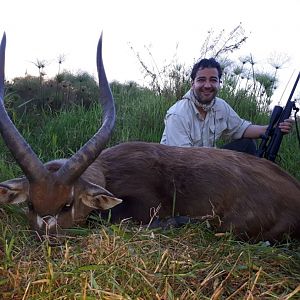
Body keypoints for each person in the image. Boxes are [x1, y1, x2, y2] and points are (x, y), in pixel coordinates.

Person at [160, 58, 293, 155]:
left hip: (208, 163)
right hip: (180, 172)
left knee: (247, 144)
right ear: (192, 84)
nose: (207, 85)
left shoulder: (220, 106)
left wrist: (274, 128)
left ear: (219, 83)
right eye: (201, 80)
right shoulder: (177, 114)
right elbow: (182, 160)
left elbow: (242, 129)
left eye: (213, 80)